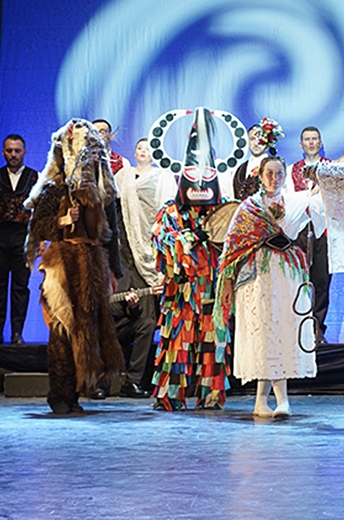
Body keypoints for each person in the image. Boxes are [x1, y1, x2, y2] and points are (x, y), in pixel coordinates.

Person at [25, 119, 125, 414]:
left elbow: (111, 233)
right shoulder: (54, 189)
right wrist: (63, 221)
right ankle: (59, 395)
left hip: (91, 266)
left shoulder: (101, 192)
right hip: (61, 266)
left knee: (86, 330)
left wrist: (112, 271)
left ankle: (77, 394)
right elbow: (38, 227)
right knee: (62, 331)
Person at [217, 151, 324, 417]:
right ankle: (260, 401)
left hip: (286, 271)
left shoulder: (296, 201)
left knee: (284, 328)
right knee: (262, 330)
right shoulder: (249, 208)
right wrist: (228, 282)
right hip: (257, 274)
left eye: (279, 173)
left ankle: (282, 399)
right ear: (260, 176)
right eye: (269, 173)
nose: (274, 178)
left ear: (285, 175)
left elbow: (322, 209)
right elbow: (232, 247)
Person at [149, 108, 231, 410]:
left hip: (213, 289)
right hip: (181, 293)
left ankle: (211, 394)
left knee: (213, 342)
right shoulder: (170, 211)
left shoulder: (223, 212)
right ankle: (171, 393)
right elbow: (161, 242)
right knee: (176, 343)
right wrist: (190, 239)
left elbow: (232, 247)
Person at [111, 138, 174, 398]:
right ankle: (107, 380)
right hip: (127, 247)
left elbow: (168, 211)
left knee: (147, 321)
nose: (142, 151)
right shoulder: (123, 176)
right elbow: (114, 208)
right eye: (138, 147)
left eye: (147, 148)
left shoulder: (163, 177)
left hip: (152, 247)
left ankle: (140, 379)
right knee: (120, 310)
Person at [0, 134, 39, 345]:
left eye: (17, 151)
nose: (13, 155)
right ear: (3, 152)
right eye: (9, 151)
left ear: (24, 152)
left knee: (21, 287)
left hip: (23, 236)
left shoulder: (35, 177)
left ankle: (17, 334)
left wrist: (38, 241)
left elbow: (40, 213)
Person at [287, 126, 333, 344]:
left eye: (315, 139)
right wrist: (308, 197)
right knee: (298, 280)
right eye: (307, 139)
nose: (311, 142)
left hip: (324, 231)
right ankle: (298, 327)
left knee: (322, 280)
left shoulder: (332, 168)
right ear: (301, 145)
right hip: (301, 231)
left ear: (321, 142)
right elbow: (289, 199)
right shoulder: (291, 170)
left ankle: (318, 328)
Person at [232, 123, 272, 200]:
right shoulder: (241, 168)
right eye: (252, 139)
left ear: (268, 142)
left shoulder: (273, 167)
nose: (256, 143)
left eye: (260, 139)